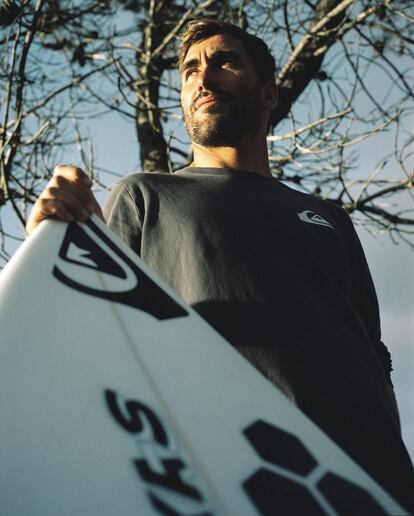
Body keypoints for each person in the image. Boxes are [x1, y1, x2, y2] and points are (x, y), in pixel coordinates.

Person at [26, 19, 414, 511]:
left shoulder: (330, 218)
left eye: (224, 62)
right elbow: (92, 333)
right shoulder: (147, 196)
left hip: (371, 481)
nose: (202, 79)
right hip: (231, 474)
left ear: (269, 94)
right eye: (189, 71)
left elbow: (372, 355)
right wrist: (51, 243)